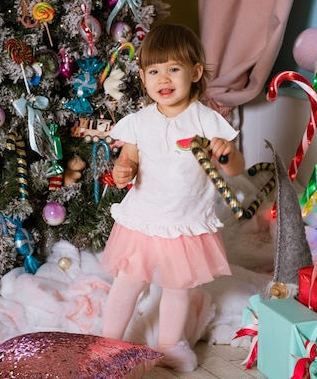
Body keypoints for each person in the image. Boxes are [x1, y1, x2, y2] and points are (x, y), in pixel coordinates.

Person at [100, 23, 245, 372]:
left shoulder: (207, 120)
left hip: (184, 222)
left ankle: (169, 345)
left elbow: (236, 169)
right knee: (128, 282)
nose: (163, 79)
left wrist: (226, 153)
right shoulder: (138, 122)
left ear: (195, 72)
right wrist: (123, 170)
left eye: (174, 69)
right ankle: (107, 343)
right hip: (144, 219)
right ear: (142, 76)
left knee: (176, 288)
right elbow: (129, 159)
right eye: (154, 71)